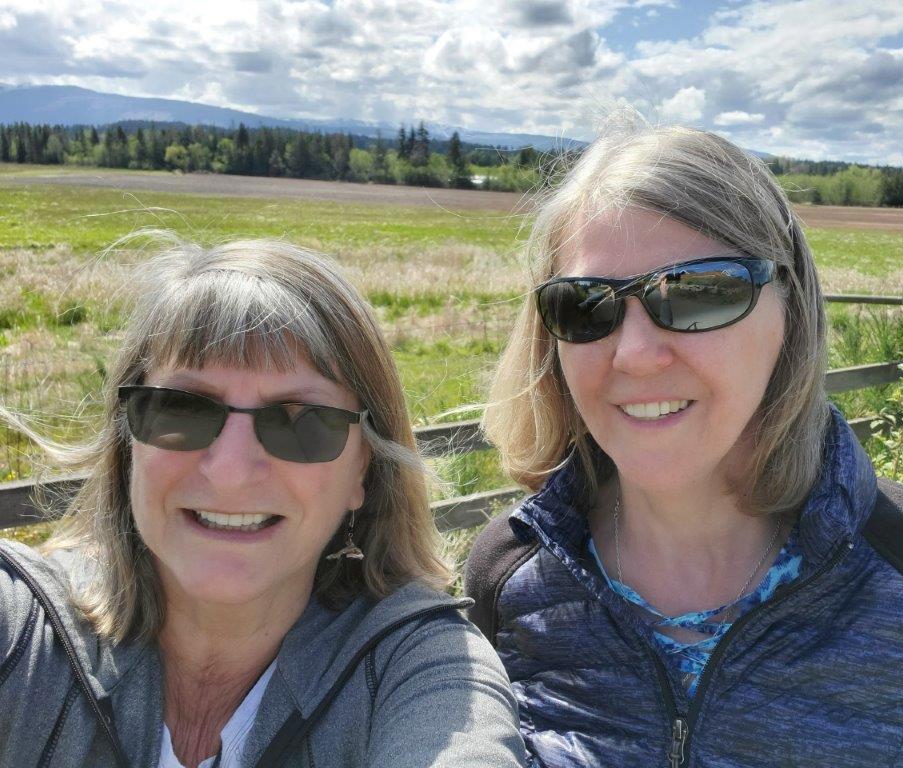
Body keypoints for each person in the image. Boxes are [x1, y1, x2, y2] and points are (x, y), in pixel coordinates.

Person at [465, 124, 903, 767]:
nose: (636, 354)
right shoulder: (511, 577)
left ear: (790, 313)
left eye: (701, 293)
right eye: (586, 306)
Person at [0, 234, 530, 768]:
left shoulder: (419, 672)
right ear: (127, 442)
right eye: (182, 410)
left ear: (362, 469)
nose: (229, 472)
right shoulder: (27, 637)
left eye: (299, 423)